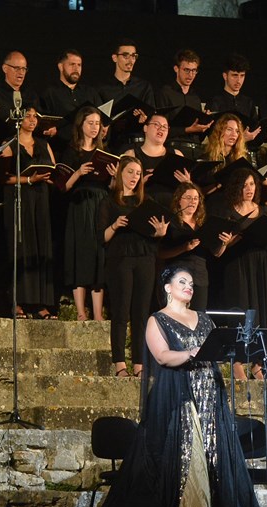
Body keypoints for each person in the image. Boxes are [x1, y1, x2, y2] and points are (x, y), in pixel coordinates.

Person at [88, 266, 263, 507]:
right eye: (182, 282)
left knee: (215, 456)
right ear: (168, 288)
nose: (188, 287)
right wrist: (192, 352)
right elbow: (162, 356)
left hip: (210, 394)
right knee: (190, 456)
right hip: (179, 397)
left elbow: (216, 351)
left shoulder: (204, 319)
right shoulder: (158, 320)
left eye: (191, 283)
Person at [100, 156, 169, 378]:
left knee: (141, 313)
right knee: (121, 311)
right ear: (120, 173)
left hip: (145, 259)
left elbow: (153, 235)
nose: (134, 177)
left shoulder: (145, 201)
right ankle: (120, 363)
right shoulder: (109, 201)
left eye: (138, 173)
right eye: (130, 172)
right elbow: (101, 237)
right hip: (120, 259)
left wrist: (160, 233)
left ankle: (139, 364)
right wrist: (115, 225)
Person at [208, 168, 267, 379]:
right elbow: (218, 248)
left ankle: (257, 361)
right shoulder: (228, 211)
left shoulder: (264, 211)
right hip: (237, 263)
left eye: (252, 184)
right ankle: (237, 360)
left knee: (260, 308)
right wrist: (230, 241)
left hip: (260, 263)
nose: (249, 189)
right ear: (237, 187)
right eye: (245, 185)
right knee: (240, 308)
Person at [0, 107, 57, 320]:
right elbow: (3, 177)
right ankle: (18, 301)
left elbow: (53, 170)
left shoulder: (44, 144)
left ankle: (41, 303)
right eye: (28, 116)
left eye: (35, 117)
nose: (32, 120)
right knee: (21, 246)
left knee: (41, 246)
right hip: (19, 198)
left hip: (41, 199)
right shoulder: (10, 144)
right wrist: (29, 180)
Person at [60, 105, 111, 322]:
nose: (94, 127)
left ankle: (98, 314)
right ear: (81, 125)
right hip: (80, 204)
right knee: (80, 254)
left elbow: (112, 187)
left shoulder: (104, 152)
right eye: (90, 123)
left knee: (99, 255)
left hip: (101, 203)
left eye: (97, 124)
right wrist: (79, 172)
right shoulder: (72, 151)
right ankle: (81, 312)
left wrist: (113, 176)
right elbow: (63, 186)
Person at [159, 182, 211, 311]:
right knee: (177, 315)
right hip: (178, 274)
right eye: (188, 198)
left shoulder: (204, 225)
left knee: (198, 315)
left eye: (195, 198)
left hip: (199, 276)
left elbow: (217, 253)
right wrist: (184, 248)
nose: (192, 201)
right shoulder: (170, 223)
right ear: (179, 200)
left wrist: (224, 243)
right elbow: (160, 254)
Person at [40, 49, 101, 154]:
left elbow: (101, 115)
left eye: (79, 65)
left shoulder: (90, 92)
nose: (76, 69)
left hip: (89, 150)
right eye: (72, 64)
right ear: (61, 67)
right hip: (61, 150)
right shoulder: (50, 93)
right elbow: (44, 123)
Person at [156, 49, 211, 160]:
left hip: (196, 150)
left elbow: (199, 136)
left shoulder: (195, 98)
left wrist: (205, 124)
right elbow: (160, 129)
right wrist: (186, 130)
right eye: (186, 70)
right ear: (176, 69)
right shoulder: (166, 93)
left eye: (194, 71)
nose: (190, 75)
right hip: (174, 148)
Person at [122, 112, 186, 206]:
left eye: (165, 127)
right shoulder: (131, 154)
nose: (161, 129)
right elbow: (122, 188)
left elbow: (186, 188)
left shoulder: (177, 154)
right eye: (156, 124)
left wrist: (187, 182)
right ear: (145, 128)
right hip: (141, 205)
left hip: (171, 205)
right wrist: (141, 183)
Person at [0, 51, 40, 141]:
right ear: (5, 68)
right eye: (17, 68)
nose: (21, 72)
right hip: (3, 142)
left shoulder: (31, 95)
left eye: (24, 69)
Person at [209, 53, 261, 144]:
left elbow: (255, 131)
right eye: (235, 75)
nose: (239, 80)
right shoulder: (215, 101)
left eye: (242, 75)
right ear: (225, 76)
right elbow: (211, 134)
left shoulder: (248, 103)